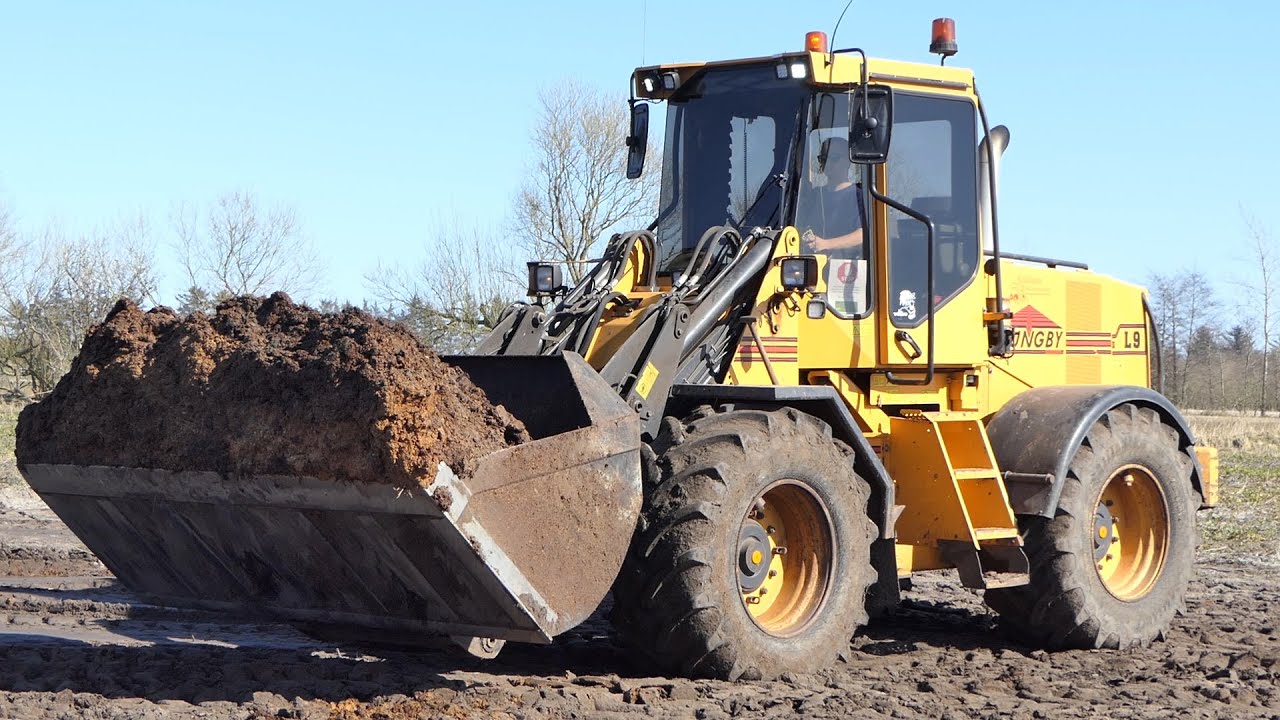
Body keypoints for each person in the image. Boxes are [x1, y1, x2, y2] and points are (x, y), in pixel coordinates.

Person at [801, 136, 865, 255]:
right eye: (824, 159)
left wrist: (826, 244)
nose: (828, 163)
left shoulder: (859, 196)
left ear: (848, 161)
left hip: (847, 265)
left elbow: (862, 234)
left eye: (834, 158)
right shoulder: (815, 195)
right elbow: (801, 225)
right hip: (812, 264)